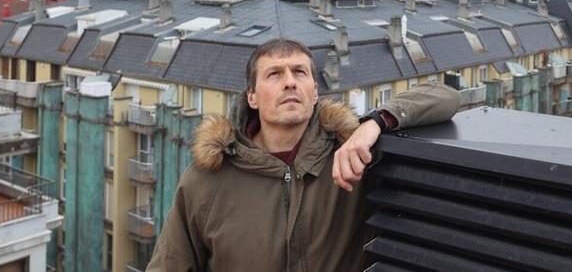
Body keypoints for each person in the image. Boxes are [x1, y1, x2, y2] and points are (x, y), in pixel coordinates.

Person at [147, 37, 459, 271]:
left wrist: (375, 123)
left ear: (314, 91)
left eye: (300, 72)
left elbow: (445, 96)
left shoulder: (350, 155)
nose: (290, 82)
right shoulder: (206, 178)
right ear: (252, 97)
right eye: (274, 74)